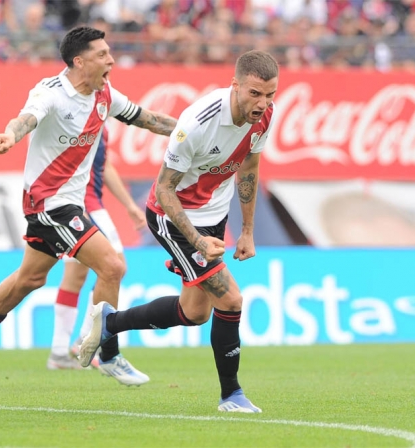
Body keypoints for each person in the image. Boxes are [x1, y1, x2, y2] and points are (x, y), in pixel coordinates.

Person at [0, 25, 176, 387]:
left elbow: (148, 119)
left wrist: (189, 131)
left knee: (30, 278)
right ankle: (109, 353)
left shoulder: (106, 95)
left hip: (68, 204)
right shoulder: (50, 92)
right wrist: (11, 134)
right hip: (47, 203)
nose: (111, 60)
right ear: (79, 61)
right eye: (102, 55)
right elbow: (27, 118)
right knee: (113, 266)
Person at [79, 50, 280, 413]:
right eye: (254, 94)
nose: (263, 103)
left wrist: (247, 229)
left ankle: (110, 323)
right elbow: (164, 191)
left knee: (195, 313)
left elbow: (249, 165)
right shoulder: (198, 122)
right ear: (235, 87)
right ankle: (231, 394)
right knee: (231, 300)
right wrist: (198, 240)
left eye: (270, 95)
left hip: (213, 216)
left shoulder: (263, 118)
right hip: (173, 216)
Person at [46, 125, 146, 371]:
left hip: (76, 202)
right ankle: (84, 340)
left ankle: (60, 352)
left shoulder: (98, 117)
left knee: (76, 275)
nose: (105, 84)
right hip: (83, 202)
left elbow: (104, 166)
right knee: (116, 267)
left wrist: (130, 206)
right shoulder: (80, 115)